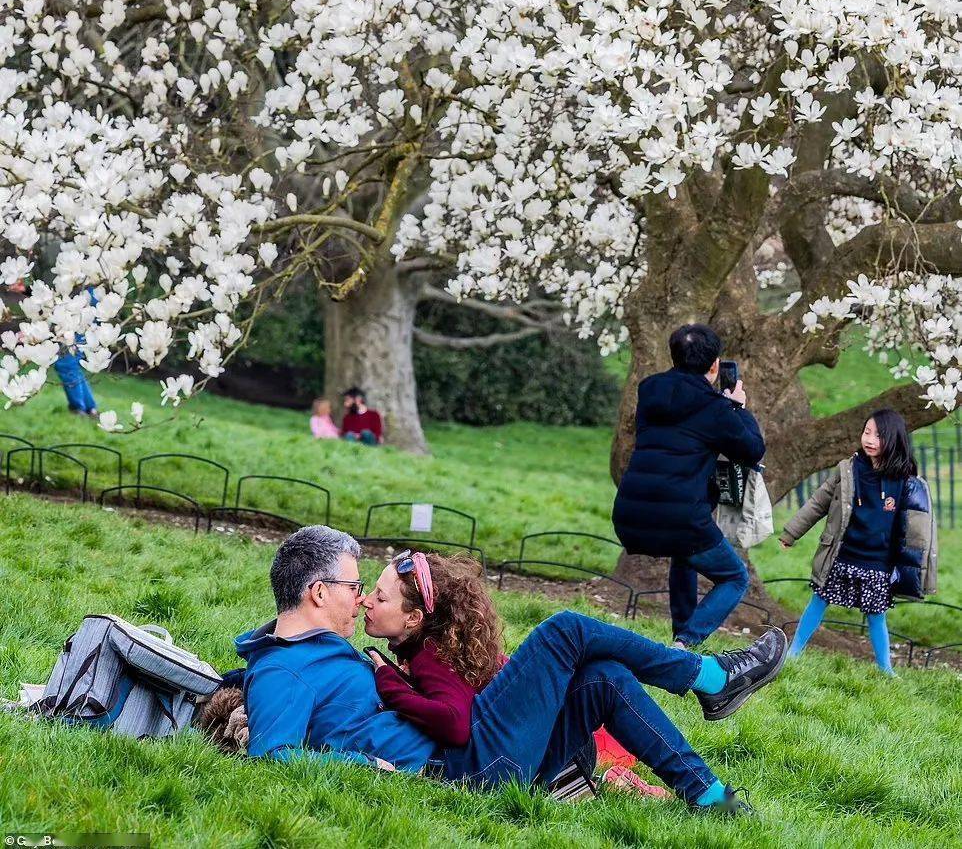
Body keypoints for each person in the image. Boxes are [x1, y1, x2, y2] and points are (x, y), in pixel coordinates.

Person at [236, 525, 789, 815]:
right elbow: (272, 759)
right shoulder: (285, 671)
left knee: (604, 677)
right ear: (317, 592)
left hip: (474, 756)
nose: (361, 601)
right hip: (463, 771)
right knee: (566, 630)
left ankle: (710, 796)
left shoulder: (311, 656)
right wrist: (373, 767)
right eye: (356, 588)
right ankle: (710, 678)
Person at [362, 549, 670, 799]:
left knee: (568, 630)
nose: (366, 601)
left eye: (380, 596)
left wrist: (391, 687)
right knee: (603, 673)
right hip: (565, 748)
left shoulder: (430, 653)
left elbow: (455, 724)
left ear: (414, 618)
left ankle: (688, 670)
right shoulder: (444, 643)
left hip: (552, 755)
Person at [612, 323, 765, 648]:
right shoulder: (715, 408)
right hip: (682, 519)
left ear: (674, 355)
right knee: (736, 578)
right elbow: (753, 450)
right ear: (714, 365)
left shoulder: (649, 390)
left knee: (685, 556)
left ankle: (680, 635)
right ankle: (685, 642)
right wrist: (736, 406)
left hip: (630, 516)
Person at [780, 410, 937, 674]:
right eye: (867, 432)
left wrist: (911, 566)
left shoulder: (905, 481)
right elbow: (819, 502)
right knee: (818, 601)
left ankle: (886, 669)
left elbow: (914, 529)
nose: (870, 439)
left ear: (894, 440)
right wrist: (791, 533)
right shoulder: (849, 470)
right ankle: (793, 653)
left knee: (876, 616)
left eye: (878, 435)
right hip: (843, 555)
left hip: (878, 562)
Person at [52, 285, 100, 416]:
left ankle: (78, 408)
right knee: (71, 364)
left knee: (66, 363)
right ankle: (90, 408)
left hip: (81, 301)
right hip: (85, 298)